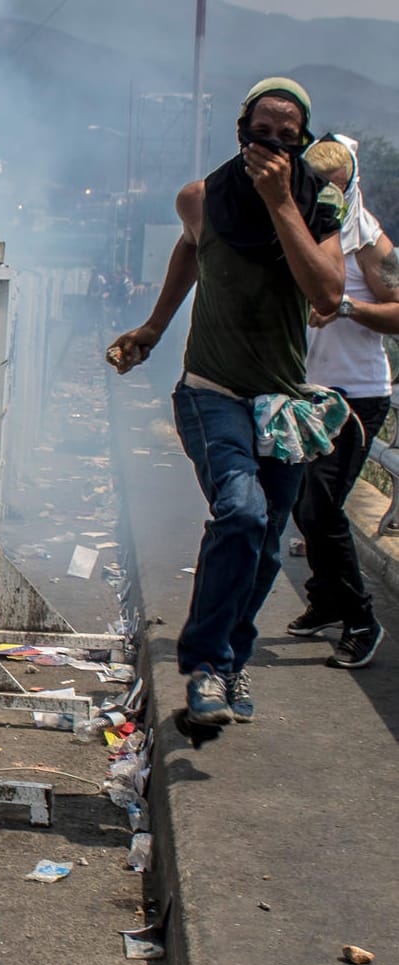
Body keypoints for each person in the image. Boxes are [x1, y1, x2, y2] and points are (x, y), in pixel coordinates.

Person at [108, 77, 345, 726]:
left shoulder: (317, 207)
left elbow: (325, 294)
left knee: (267, 544)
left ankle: (231, 661)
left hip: (284, 404)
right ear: (239, 132)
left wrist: (280, 207)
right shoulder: (201, 199)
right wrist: (153, 329)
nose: (269, 144)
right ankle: (205, 667)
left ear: (301, 143)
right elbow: (190, 247)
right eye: (259, 132)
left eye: (285, 136)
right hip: (211, 390)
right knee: (240, 512)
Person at [290, 135, 399, 668]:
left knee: (323, 507)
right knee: (298, 501)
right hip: (306, 393)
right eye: (317, 191)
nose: (326, 202)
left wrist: (347, 307)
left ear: (351, 185)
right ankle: (326, 599)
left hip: (357, 394)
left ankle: (362, 619)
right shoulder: (300, 229)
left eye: (335, 191)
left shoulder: (370, 239)